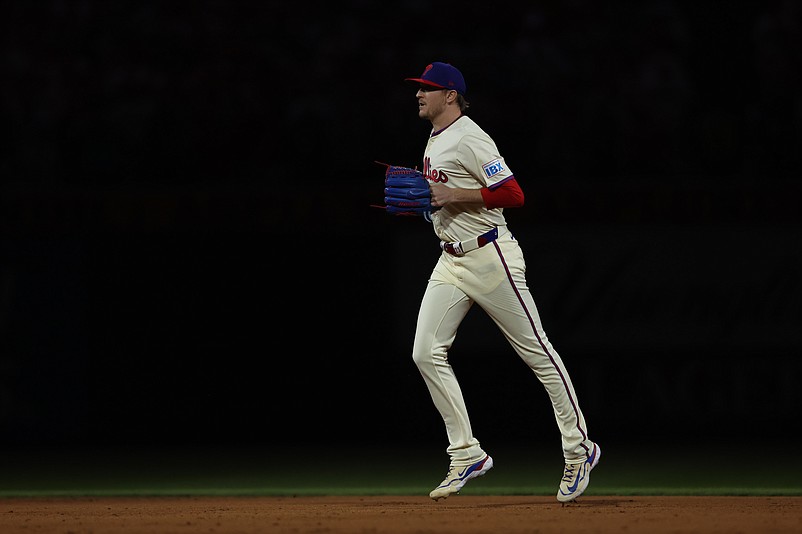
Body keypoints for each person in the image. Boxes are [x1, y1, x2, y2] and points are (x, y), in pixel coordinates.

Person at [402, 61, 600, 503]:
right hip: (450, 260)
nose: (419, 94)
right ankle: (466, 453)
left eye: (427, 89)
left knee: (538, 353)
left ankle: (579, 448)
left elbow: (513, 194)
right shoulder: (435, 137)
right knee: (424, 352)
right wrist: (430, 206)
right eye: (419, 88)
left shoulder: (470, 136)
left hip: (491, 256)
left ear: (450, 96)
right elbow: (447, 197)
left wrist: (453, 195)